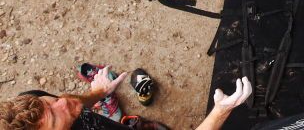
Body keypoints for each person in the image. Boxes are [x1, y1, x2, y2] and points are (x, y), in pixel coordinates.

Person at [0, 68, 252, 130]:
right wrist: (220, 112)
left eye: (48, 102)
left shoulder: (30, 101)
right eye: (55, 116)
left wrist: (98, 94)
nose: (61, 103)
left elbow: (66, 102)